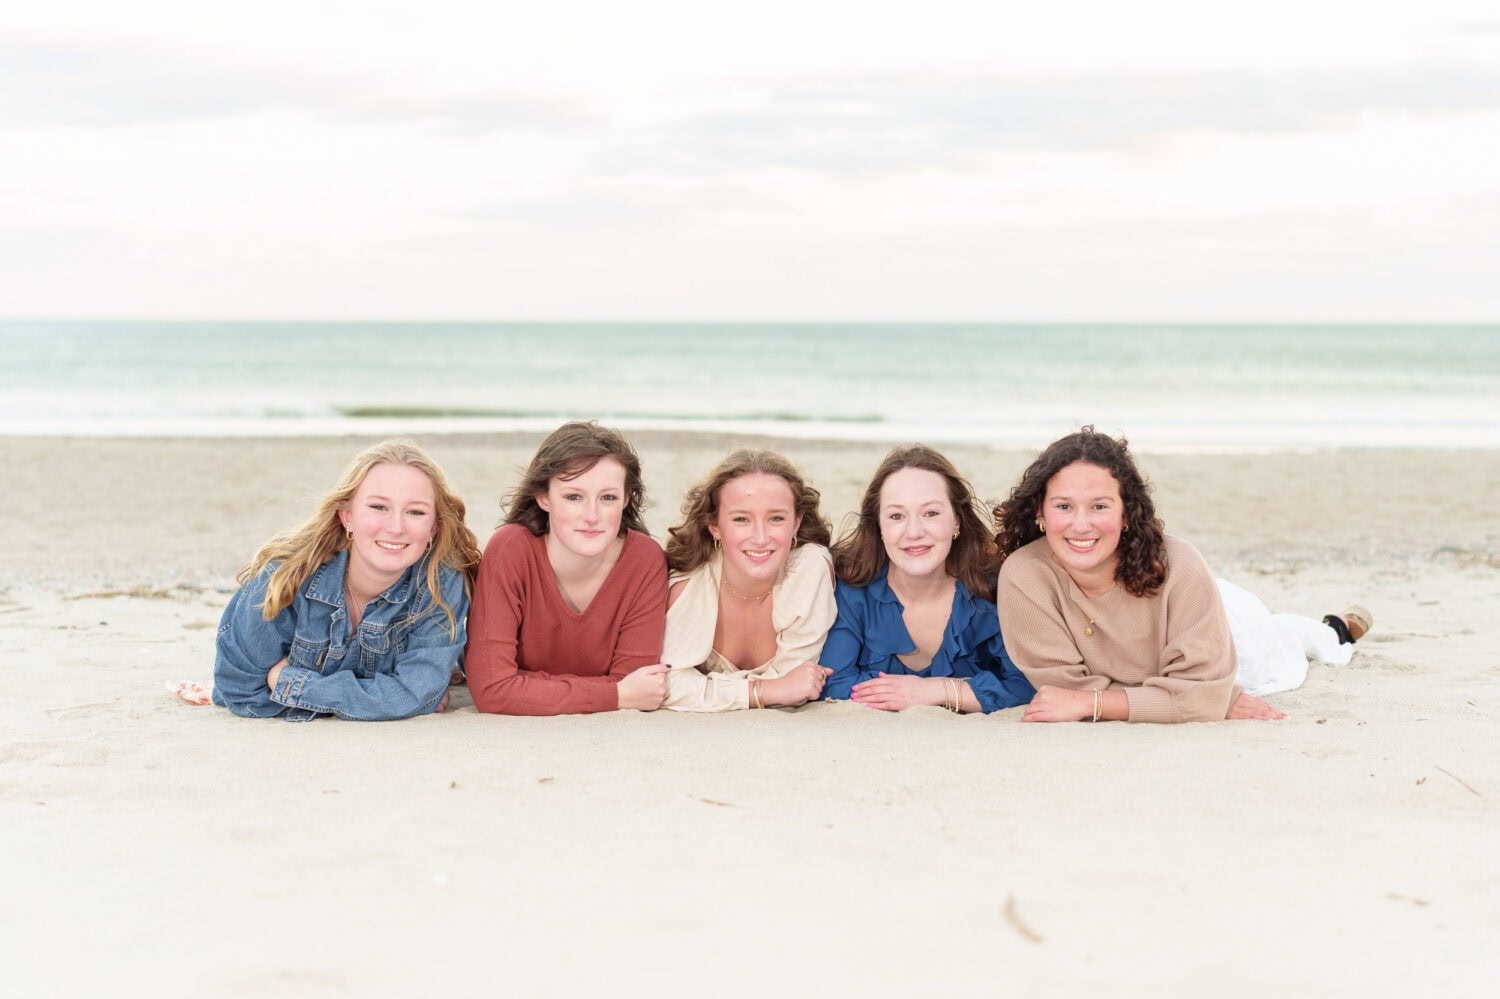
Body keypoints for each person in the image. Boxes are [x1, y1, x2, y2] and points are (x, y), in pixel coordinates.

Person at [994, 427, 1373, 723]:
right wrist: (1173, 699)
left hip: (1232, 634)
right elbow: (1063, 691)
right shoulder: (1026, 576)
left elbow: (1198, 696)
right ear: (1040, 513)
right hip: (1179, 656)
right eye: (1063, 506)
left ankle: (1333, 629)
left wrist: (1200, 698)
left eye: (1099, 506)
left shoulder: (1180, 564)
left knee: (1284, 639)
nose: (1081, 525)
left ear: (1126, 514)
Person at [212, 439, 481, 721]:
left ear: (433, 528)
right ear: (347, 516)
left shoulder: (440, 583)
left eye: (416, 512)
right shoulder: (285, 576)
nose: (396, 527)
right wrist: (387, 697)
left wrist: (292, 683)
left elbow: (416, 695)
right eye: (378, 507)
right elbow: (239, 691)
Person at [465, 421, 669, 715]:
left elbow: (635, 684)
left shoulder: (644, 560)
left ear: (626, 499)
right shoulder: (510, 550)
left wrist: (523, 684)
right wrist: (614, 693)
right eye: (573, 497)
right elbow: (491, 691)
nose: (591, 516)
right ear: (544, 497)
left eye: (608, 498)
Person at [821, 446, 1035, 714]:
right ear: (878, 527)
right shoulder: (851, 590)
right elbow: (833, 683)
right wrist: (969, 691)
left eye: (931, 513)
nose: (914, 532)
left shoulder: (993, 591)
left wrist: (933, 690)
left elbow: (1025, 685)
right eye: (896, 516)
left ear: (956, 522)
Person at [660, 449, 836, 711]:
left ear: (796, 523)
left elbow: (797, 685)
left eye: (776, 518)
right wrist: (766, 690)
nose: (761, 537)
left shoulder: (809, 570)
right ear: (715, 526)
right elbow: (666, 685)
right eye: (741, 519)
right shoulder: (689, 583)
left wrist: (709, 689)